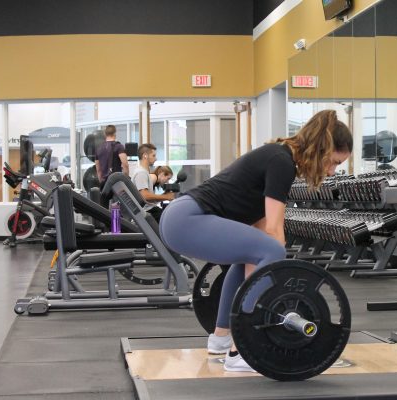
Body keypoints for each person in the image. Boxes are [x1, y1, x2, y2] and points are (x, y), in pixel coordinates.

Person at [160, 110, 352, 373]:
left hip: (180, 218)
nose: (331, 171)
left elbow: (261, 229)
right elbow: (274, 233)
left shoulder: (279, 157)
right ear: (320, 149)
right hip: (187, 218)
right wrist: (282, 284)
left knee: (252, 255)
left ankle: (221, 338)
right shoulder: (281, 161)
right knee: (271, 249)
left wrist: (272, 267)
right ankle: (243, 349)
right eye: (333, 162)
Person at [130, 144, 175, 222]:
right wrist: (166, 197)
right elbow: (145, 196)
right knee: (171, 220)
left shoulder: (145, 172)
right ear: (145, 156)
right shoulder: (141, 173)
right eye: (153, 155)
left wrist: (163, 196)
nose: (156, 158)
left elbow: (148, 198)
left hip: (150, 209)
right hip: (146, 212)